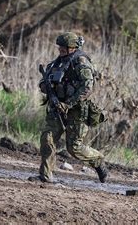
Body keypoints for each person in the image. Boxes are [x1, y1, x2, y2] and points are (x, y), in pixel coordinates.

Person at [28, 32, 108, 183]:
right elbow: (43, 81)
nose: (61, 50)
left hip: (76, 110)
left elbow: (87, 87)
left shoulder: (81, 62)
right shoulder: (57, 63)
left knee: (74, 148)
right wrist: (45, 86)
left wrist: (68, 104)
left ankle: (98, 161)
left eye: (65, 47)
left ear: (73, 47)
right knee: (47, 138)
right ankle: (45, 176)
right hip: (56, 107)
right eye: (60, 47)